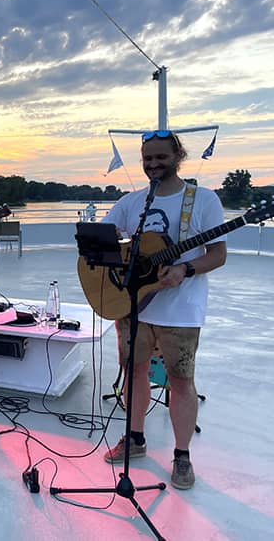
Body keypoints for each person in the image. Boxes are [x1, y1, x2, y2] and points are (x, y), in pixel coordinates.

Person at [101, 130, 226, 489]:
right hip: (134, 306)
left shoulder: (201, 200)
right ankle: (136, 439)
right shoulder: (130, 202)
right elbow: (106, 241)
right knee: (134, 372)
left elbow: (217, 254)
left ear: (177, 156)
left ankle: (182, 455)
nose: (153, 164)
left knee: (181, 381)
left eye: (161, 157)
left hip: (181, 310)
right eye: (147, 159)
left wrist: (185, 269)